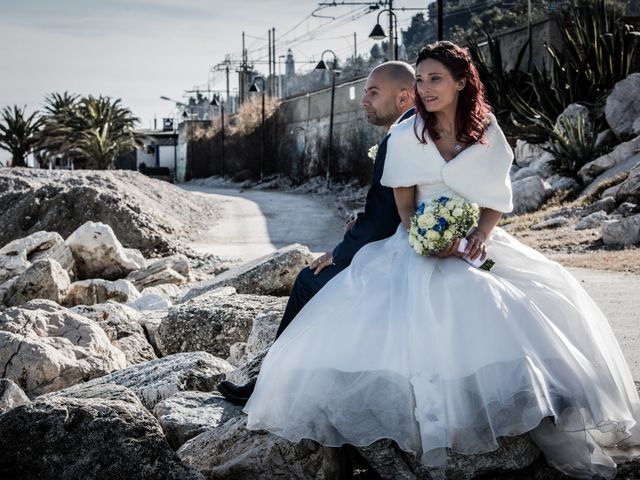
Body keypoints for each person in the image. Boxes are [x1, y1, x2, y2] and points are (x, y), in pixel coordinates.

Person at [243, 41, 640, 479]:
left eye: (435, 79)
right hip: (416, 244)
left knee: (530, 296)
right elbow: (405, 210)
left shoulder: (485, 128)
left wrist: (478, 236)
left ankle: (535, 406)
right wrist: (431, 241)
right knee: (435, 300)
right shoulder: (406, 132)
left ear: (461, 81)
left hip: (475, 240)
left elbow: (495, 198)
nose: (426, 88)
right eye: (420, 79)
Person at [217, 61, 416, 406]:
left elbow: (384, 219)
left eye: (372, 92)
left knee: (310, 280)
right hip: (406, 243)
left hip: (399, 255)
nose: (363, 100)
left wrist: (339, 252)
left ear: (404, 97)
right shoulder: (418, 129)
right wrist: (360, 221)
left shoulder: (401, 137)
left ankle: (268, 387)